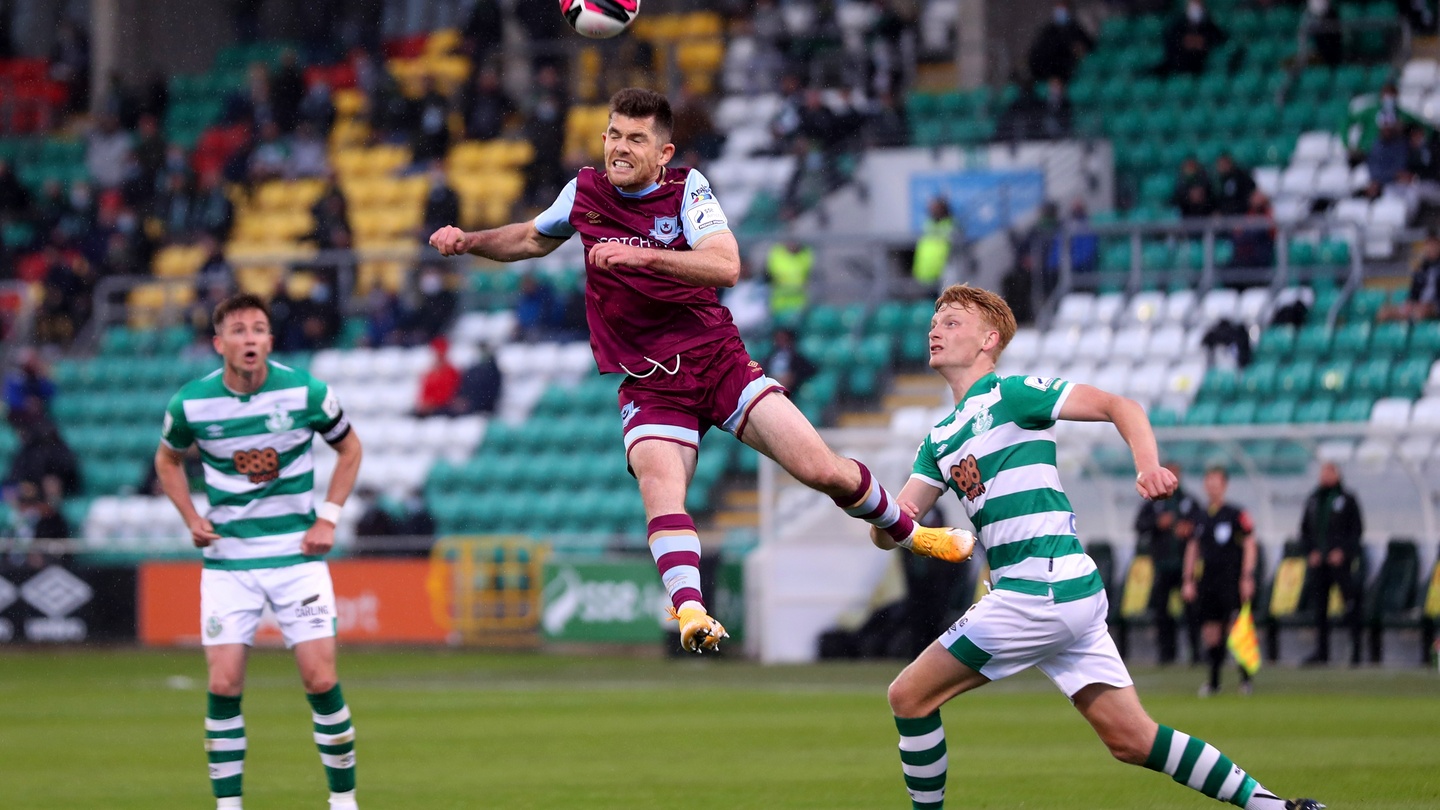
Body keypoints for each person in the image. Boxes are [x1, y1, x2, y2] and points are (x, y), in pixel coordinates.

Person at [429, 87, 968, 653]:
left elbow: (726, 264)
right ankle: (689, 611)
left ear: (663, 153)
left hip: (717, 359)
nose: (619, 147)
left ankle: (914, 533)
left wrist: (643, 254)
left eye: (636, 139)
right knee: (662, 487)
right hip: (650, 381)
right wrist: (471, 241)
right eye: (614, 133)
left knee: (821, 470)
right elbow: (534, 237)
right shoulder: (583, 191)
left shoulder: (687, 189)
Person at [879, 285, 1322, 810]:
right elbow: (891, 528)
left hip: (1037, 589)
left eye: (952, 321)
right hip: (1063, 591)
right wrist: (890, 516)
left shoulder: (1012, 394)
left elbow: (1119, 405)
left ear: (988, 340)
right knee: (1132, 740)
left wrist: (1148, 465)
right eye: (935, 320)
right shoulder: (938, 439)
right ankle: (1275, 807)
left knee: (908, 696)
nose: (936, 329)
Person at [153, 293, 364, 810]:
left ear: (270, 340)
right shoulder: (191, 403)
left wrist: (328, 517)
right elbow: (167, 460)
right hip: (229, 562)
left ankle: (344, 803)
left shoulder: (306, 392)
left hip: (297, 558)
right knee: (223, 683)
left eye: (259, 329)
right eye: (239, 330)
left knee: (321, 679)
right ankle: (229, 806)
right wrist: (192, 518)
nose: (250, 338)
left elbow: (350, 448)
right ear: (219, 342)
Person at [1182, 466, 1257, 697]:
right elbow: (1193, 548)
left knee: (1237, 628)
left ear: (1224, 485)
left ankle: (1245, 680)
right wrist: (1188, 579)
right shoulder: (1200, 516)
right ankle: (1214, 682)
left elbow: (1249, 543)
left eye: (1216, 482)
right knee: (1211, 631)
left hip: (1231, 579)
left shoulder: (1236, 513)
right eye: (1209, 482)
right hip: (1208, 581)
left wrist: (1247, 575)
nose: (1212, 486)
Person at [1134, 462, 1200, 665]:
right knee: (1162, 612)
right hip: (1161, 566)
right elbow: (1139, 525)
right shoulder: (1153, 500)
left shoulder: (1188, 501)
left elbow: (1201, 525)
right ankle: (1165, 654)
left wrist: (1189, 528)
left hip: (1184, 568)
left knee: (1192, 612)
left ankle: (1196, 653)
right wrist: (1157, 524)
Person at [1298, 462, 1364, 666]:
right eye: (1322, 472)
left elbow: (1357, 530)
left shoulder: (1347, 499)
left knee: (1350, 605)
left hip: (1340, 564)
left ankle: (1356, 652)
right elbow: (1304, 530)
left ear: (1337, 474)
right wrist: (1311, 552)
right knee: (1320, 608)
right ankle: (1322, 652)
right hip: (1319, 564)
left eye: (1329, 472)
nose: (1324, 476)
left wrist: (1343, 551)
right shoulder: (1313, 499)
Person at [1380, 231, 1440, 321]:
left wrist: (1430, 305)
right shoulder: (1421, 269)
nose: (1431, 248)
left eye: (1434, 245)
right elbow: (1414, 292)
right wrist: (1410, 303)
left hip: (1434, 306)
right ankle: (1396, 332)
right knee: (1384, 312)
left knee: (1420, 311)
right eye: (1428, 245)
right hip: (1419, 304)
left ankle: (1409, 328)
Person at [912, 197, 954, 298]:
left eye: (936, 208)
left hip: (942, 278)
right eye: (931, 208)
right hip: (923, 276)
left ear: (943, 209)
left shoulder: (951, 226)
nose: (933, 210)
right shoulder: (927, 225)